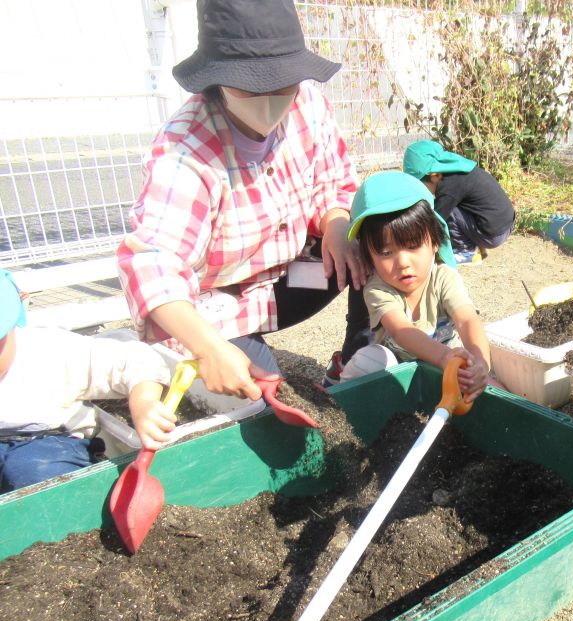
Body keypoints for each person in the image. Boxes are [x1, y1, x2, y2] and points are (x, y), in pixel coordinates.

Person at [118, 0, 370, 397]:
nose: (270, 97)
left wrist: (336, 221)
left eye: (282, 84)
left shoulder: (308, 106)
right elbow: (154, 265)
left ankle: (360, 355)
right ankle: (240, 348)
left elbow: (333, 179)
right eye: (252, 85)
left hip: (287, 276)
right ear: (216, 81)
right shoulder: (187, 152)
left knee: (369, 233)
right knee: (262, 397)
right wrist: (209, 348)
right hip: (219, 304)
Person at [0, 271, 176, 492]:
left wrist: (144, 402)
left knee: (30, 474)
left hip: (48, 443)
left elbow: (135, 358)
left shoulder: (46, 351)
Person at [338, 171, 492, 401]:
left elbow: (467, 319)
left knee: (491, 386)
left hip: (440, 370)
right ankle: (344, 402)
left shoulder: (443, 277)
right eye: (386, 252)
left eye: (412, 246)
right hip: (396, 376)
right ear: (369, 257)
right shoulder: (378, 289)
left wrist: (481, 364)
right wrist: (443, 357)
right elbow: (401, 331)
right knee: (371, 359)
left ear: (435, 242)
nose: (402, 263)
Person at [402, 140, 516, 265]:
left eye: (421, 185)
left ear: (434, 175)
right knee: (450, 207)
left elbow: (435, 220)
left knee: (446, 214)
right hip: (505, 226)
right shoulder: (459, 169)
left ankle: (465, 252)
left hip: (493, 235)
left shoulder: (449, 186)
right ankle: (472, 244)